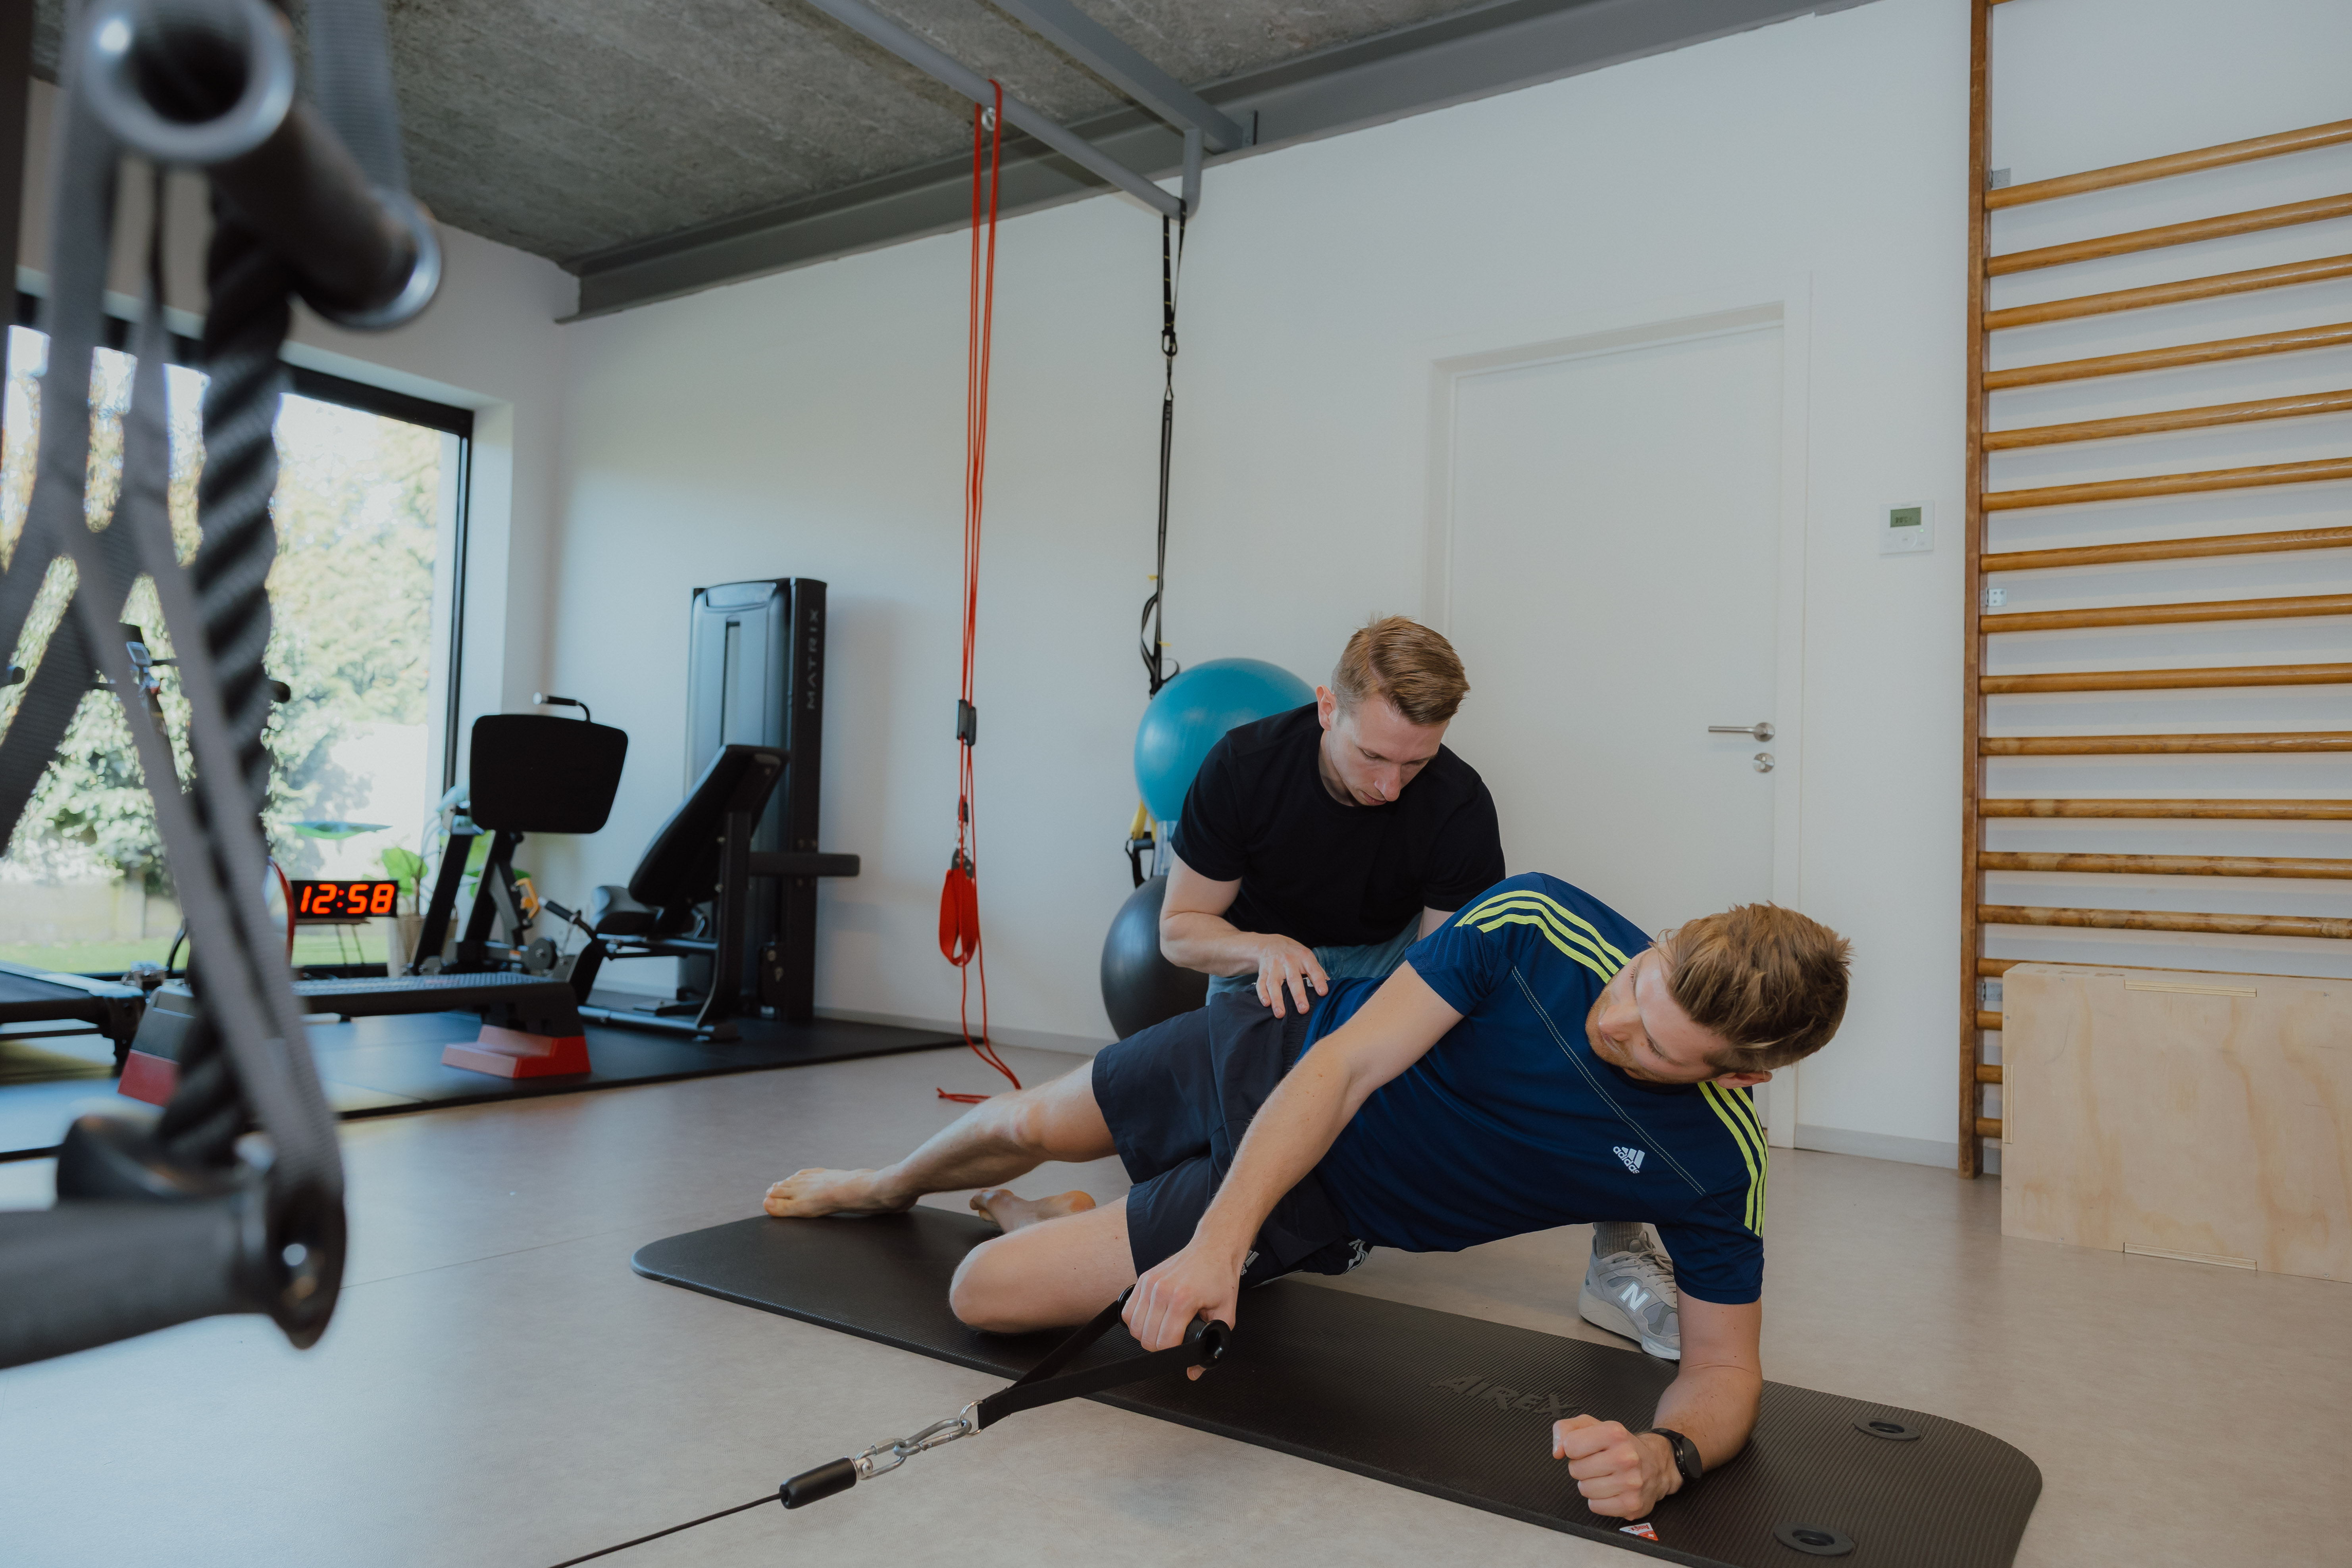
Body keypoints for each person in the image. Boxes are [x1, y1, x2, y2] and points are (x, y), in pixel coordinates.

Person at [765, 874, 1851, 1522]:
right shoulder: (1539, 925)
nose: (1613, 1025)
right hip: (1278, 1054)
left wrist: (1667, 1458)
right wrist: (1206, 1252)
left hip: (1327, 1197)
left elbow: (1720, 1372)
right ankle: (884, 1182)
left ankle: (1046, 1219)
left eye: (1655, 1048)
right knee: (1024, 1125)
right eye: (1635, 985)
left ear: (1738, 1078)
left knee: (984, 1294)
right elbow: (1342, 1073)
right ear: (1662, 943)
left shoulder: (1715, 1164)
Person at [1158, 616, 1685, 1358]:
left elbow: (1447, 969)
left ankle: (1620, 1243)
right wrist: (1260, 947)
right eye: (1372, 756)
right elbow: (1179, 929)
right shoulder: (1244, 767)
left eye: (1414, 763)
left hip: (1388, 959)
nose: (1388, 785)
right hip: (1259, 965)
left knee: (1574, 1035)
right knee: (1214, 1192)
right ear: (1325, 707)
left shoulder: (1458, 803)